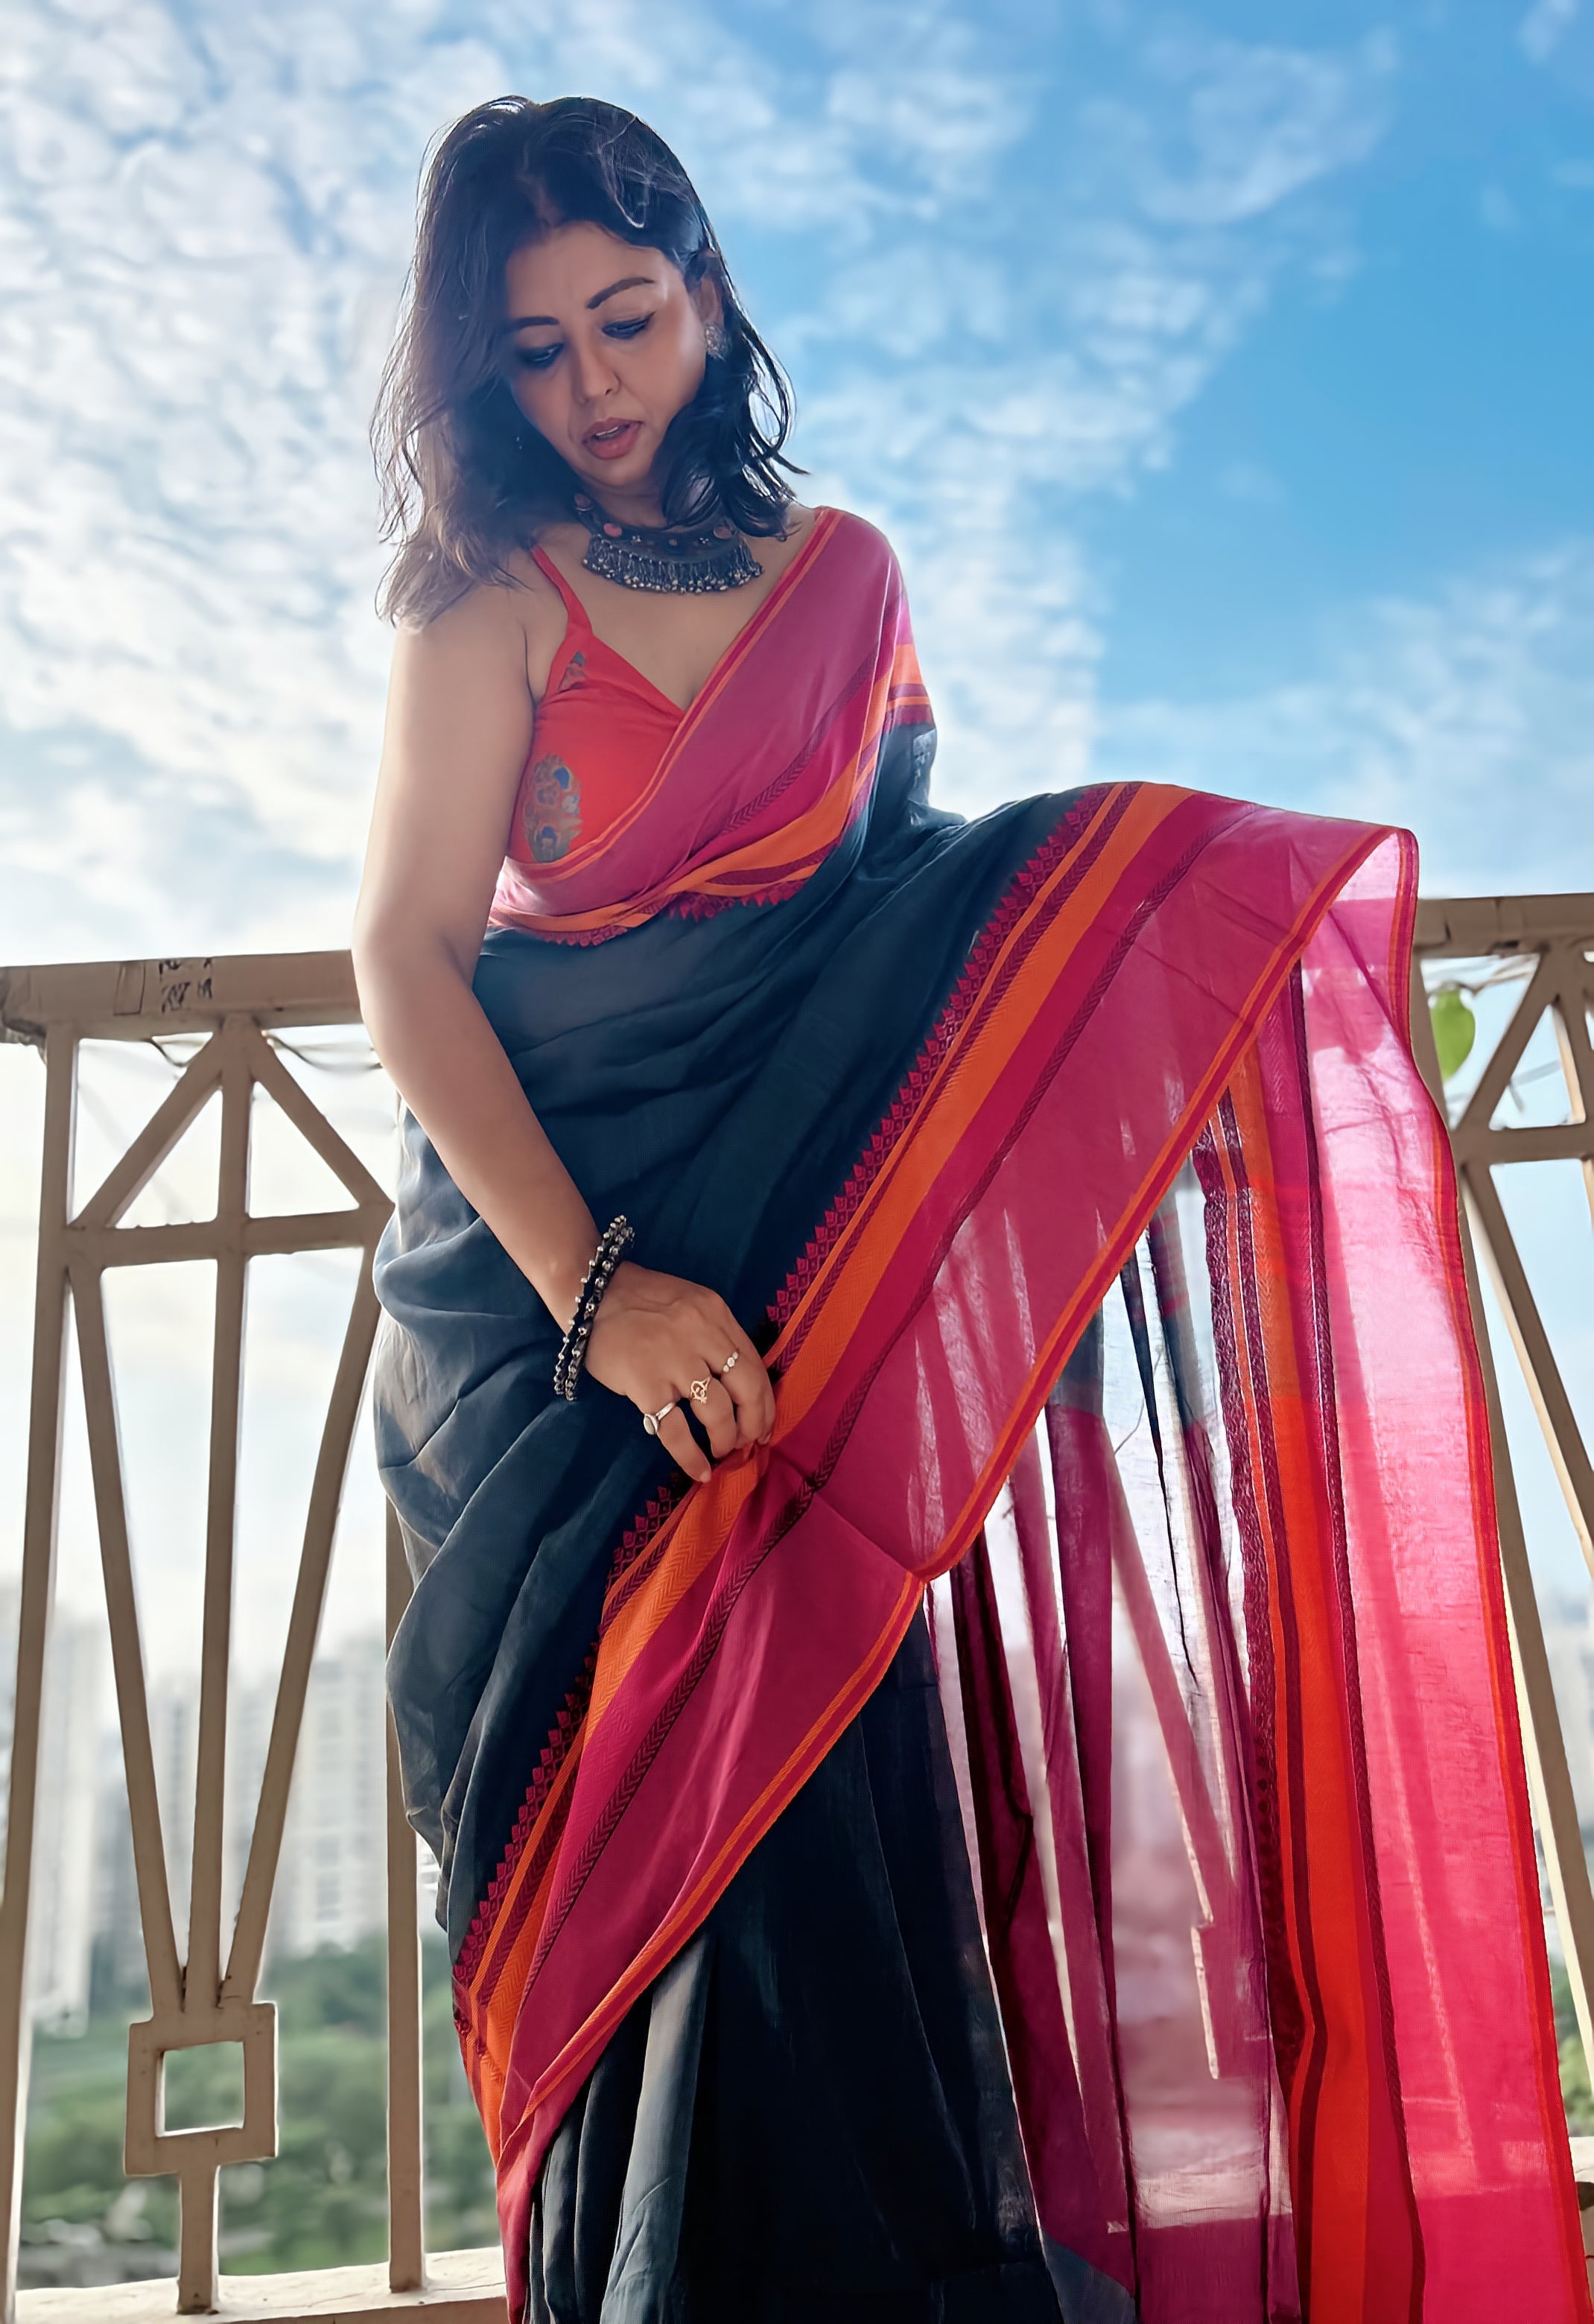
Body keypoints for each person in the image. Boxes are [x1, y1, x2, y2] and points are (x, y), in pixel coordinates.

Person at [354, 95, 1584, 2324]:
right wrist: (606, 1298)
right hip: (558, 1325)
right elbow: (407, 964)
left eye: (626, 318)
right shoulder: (489, 607)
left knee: (833, 1828)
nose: (595, 384)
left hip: (813, 1287)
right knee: (641, 1881)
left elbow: (903, 911)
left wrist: (1170, 944)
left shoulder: (845, 580)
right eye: (533, 351)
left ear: (708, 294)